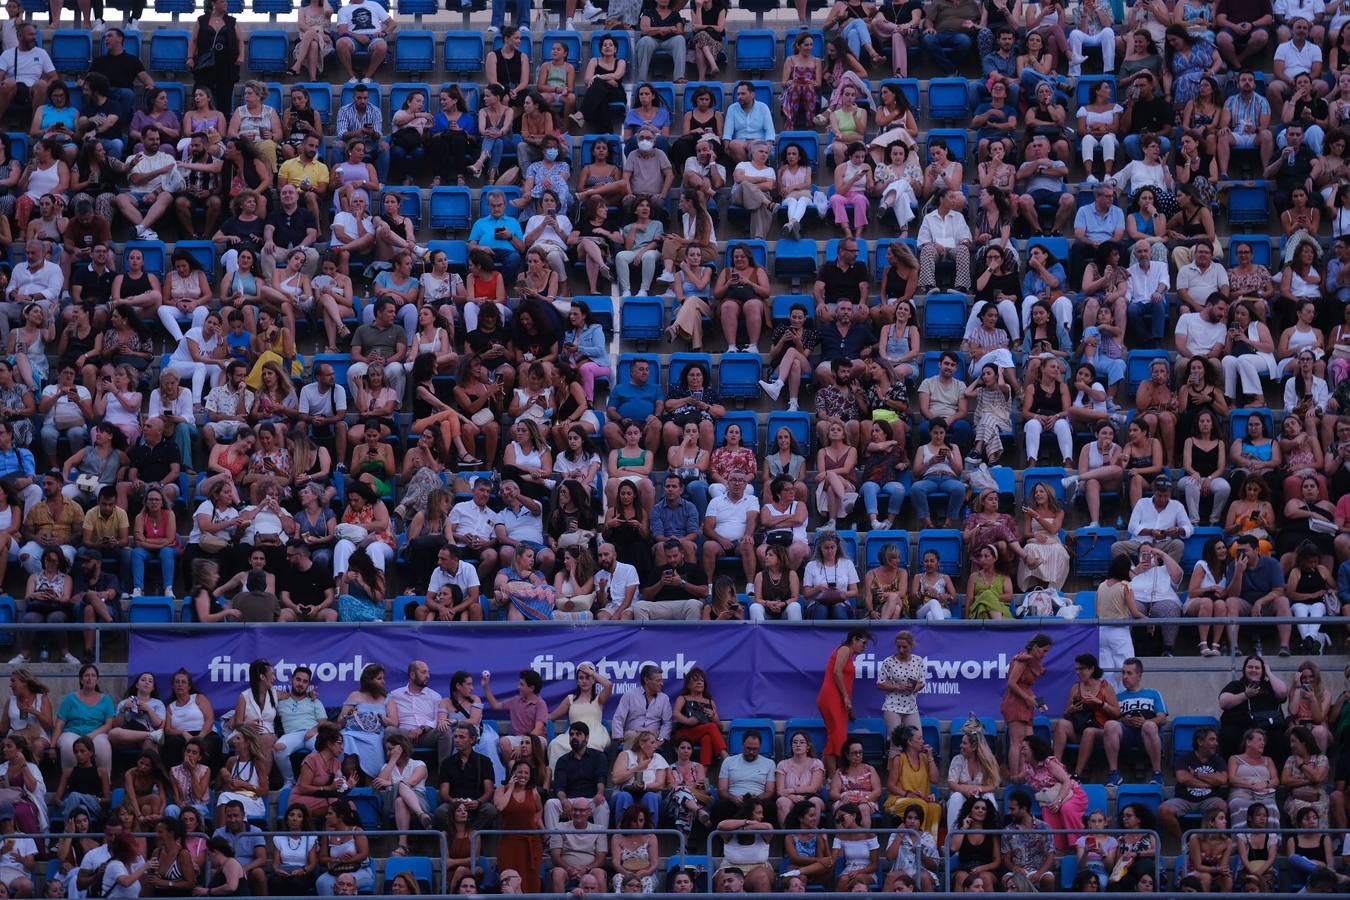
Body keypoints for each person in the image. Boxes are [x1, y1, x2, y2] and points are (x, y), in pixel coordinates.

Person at [817, 629, 871, 778]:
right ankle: (833, 778)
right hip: (831, 697)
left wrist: (848, 709)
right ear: (854, 639)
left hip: (837, 699)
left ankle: (826, 775)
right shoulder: (845, 649)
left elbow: (845, 681)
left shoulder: (848, 654)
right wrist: (846, 698)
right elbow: (836, 672)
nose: (864, 647)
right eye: (863, 643)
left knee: (836, 737)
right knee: (837, 737)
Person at [1002, 634, 1052, 776]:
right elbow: (1012, 683)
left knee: (1028, 742)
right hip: (1015, 702)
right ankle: (1015, 775)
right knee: (1017, 741)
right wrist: (1028, 699)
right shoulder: (1022, 660)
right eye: (1044, 651)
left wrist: (1038, 702)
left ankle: (1026, 774)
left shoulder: (1032, 662)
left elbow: (1027, 687)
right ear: (1035, 647)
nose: (1045, 654)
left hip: (1026, 702)